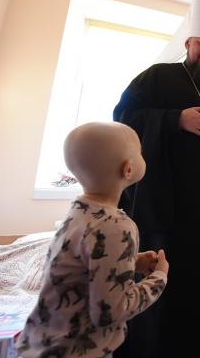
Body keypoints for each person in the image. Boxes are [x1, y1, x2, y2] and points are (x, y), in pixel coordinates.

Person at [112, 0, 200, 358]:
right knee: (165, 292)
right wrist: (175, 119)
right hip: (166, 206)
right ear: (188, 43)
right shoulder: (156, 77)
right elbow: (123, 119)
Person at [16, 122, 169, 358]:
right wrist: (158, 278)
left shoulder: (78, 212)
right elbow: (110, 312)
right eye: (140, 151)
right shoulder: (117, 226)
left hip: (41, 343)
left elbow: (85, 267)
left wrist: (132, 263)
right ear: (128, 169)